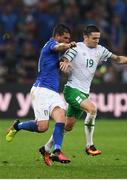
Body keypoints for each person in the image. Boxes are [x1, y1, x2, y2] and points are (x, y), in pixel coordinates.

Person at [39, 25, 127, 165]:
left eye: (98, 38)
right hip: (71, 90)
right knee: (92, 109)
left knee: (68, 127)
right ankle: (90, 146)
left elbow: (117, 59)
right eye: (94, 38)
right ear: (85, 37)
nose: (96, 41)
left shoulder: (101, 50)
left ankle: (46, 148)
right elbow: (65, 59)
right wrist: (64, 63)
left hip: (83, 92)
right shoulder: (76, 47)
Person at [6, 24, 76, 166]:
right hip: (41, 91)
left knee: (61, 119)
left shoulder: (54, 52)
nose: (67, 41)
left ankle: (56, 151)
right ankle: (18, 126)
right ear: (57, 36)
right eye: (65, 38)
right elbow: (59, 47)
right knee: (42, 127)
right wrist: (68, 46)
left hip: (53, 92)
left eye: (69, 39)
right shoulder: (51, 45)